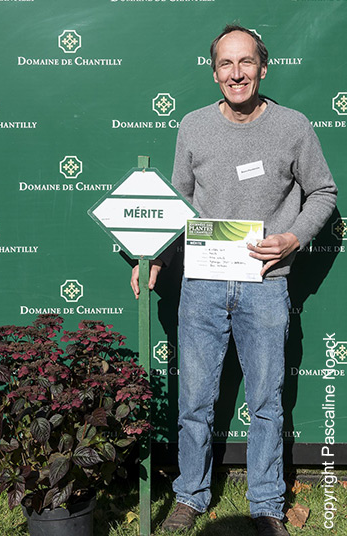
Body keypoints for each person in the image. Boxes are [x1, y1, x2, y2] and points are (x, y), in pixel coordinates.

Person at [131, 25, 337, 535]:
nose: (236, 73)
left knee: (266, 401)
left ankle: (267, 504)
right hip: (200, 284)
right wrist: (156, 258)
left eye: (246, 63)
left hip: (266, 282)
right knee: (195, 400)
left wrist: (292, 239)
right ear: (214, 71)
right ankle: (190, 496)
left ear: (263, 68)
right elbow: (177, 205)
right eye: (226, 64)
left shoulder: (293, 126)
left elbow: (324, 193)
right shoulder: (193, 126)